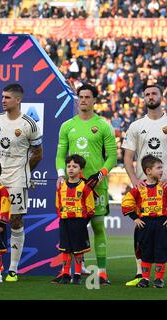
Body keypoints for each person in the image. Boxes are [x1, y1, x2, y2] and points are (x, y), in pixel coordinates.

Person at [55, 83, 117, 285]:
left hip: (96, 188)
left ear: (94, 100)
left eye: (87, 97)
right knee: (72, 229)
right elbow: (59, 155)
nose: (83, 100)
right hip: (73, 188)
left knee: (98, 227)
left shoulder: (104, 125)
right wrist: (61, 175)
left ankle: (102, 272)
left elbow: (112, 157)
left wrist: (100, 174)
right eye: (80, 97)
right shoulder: (67, 126)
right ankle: (69, 271)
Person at [0, 83, 43, 282]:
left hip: (18, 179)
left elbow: (38, 153)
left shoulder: (29, 124)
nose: (3, 100)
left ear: (18, 100)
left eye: (7, 97)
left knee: (15, 221)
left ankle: (13, 269)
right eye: (2, 97)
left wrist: (25, 170)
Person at [122, 84, 167, 286]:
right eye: (147, 94)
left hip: (166, 189)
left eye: (154, 93)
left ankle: (157, 277)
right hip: (144, 190)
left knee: (163, 238)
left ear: (161, 96)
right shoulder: (136, 125)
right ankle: (141, 274)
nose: (151, 97)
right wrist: (134, 179)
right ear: (144, 98)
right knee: (143, 235)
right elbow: (128, 157)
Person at [121, 155, 167, 289]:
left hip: (162, 223)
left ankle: (159, 280)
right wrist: (135, 218)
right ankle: (145, 279)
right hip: (145, 224)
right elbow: (126, 203)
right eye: (158, 168)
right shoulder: (139, 188)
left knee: (161, 251)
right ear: (148, 171)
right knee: (145, 251)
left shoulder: (165, 187)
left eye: (162, 168)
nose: (161, 171)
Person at [54, 155, 95, 285]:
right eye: (69, 166)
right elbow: (58, 204)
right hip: (65, 221)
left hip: (79, 222)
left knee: (78, 250)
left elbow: (90, 208)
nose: (71, 169)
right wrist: (61, 216)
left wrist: (83, 222)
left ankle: (77, 275)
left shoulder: (85, 187)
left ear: (81, 169)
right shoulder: (61, 186)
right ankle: (66, 274)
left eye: (74, 166)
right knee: (65, 249)